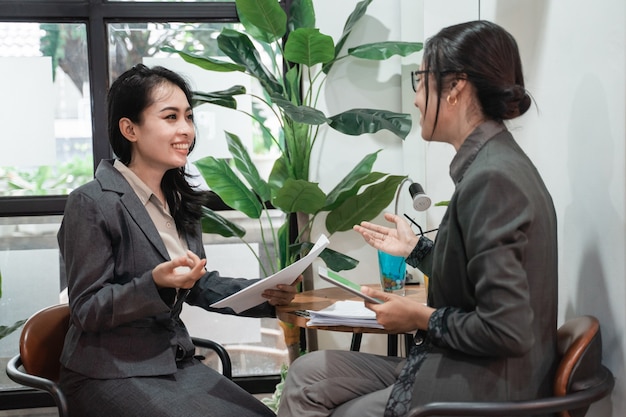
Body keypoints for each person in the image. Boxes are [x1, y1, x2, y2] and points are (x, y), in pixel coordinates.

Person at [277, 20, 558, 417]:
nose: (416, 100)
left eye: (421, 81)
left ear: (456, 86)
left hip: (489, 385)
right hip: (467, 364)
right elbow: (477, 277)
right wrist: (418, 250)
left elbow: (506, 330)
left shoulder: (493, 178)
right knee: (308, 373)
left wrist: (420, 317)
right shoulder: (493, 164)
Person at [57, 64, 300, 417]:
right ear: (130, 129)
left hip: (171, 363)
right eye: (170, 117)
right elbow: (86, 309)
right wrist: (153, 283)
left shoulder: (179, 199)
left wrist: (268, 295)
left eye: (188, 117)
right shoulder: (92, 202)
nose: (186, 130)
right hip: (108, 371)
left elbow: (198, 285)